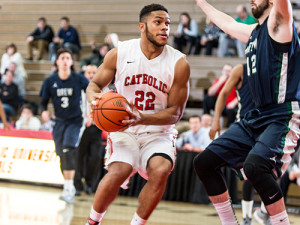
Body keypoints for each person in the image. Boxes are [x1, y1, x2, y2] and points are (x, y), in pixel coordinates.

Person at [194, 0, 300, 225]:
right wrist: (202, 3)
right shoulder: (255, 32)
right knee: (203, 162)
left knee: (255, 167)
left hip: (283, 114)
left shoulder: (280, 23)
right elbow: (227, 23)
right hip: (255, 117)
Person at [85, 3, 190, 225]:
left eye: (167, 24)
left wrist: (143, 117)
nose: (165, 28)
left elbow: (175, 113)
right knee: (119, 171)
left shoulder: (179, 63)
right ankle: (93, 221)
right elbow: (94, 85)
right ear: (142, 27)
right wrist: (95, 101)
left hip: (158, 131)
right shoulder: (120, 53)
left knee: (160, 170)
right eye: (158, 22)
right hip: (125, 128)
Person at [39, 48, 89, 203]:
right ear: (57, 61)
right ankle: (69, 186)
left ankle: (69, 189)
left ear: (72, 61)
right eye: (62, 57)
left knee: (68, 150)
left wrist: (92, 112)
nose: (65, 60)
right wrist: (43, 112)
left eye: (68, 57)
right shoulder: (50, 81)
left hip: (75, 121)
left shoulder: (79, 79)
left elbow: (93, 92)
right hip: (59, 122)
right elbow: (42, 102)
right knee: (61, 154)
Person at [74, 65, 105, 195]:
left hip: (96, 128)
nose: (91, 75)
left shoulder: (103, 89)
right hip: (81, 128)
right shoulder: (78, 89)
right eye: (89, 72)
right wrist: (84, 117)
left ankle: (89, 184)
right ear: (84, 74)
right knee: (78, 157)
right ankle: (76, 185)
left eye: (94, 72)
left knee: (95, 158)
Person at [202, 63, 237, 127]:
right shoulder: (219, 79)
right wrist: (220, 82)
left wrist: (233, 103)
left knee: (232, 110)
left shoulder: (235, 81)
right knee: (207, 98)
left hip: (230, 106)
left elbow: (241, 95)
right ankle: (206, 117)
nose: (226, 73)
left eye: (228, 71)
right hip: (219, 104)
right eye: (225, 71)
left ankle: (229, 127)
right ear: (222, 71)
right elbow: (210, 93)